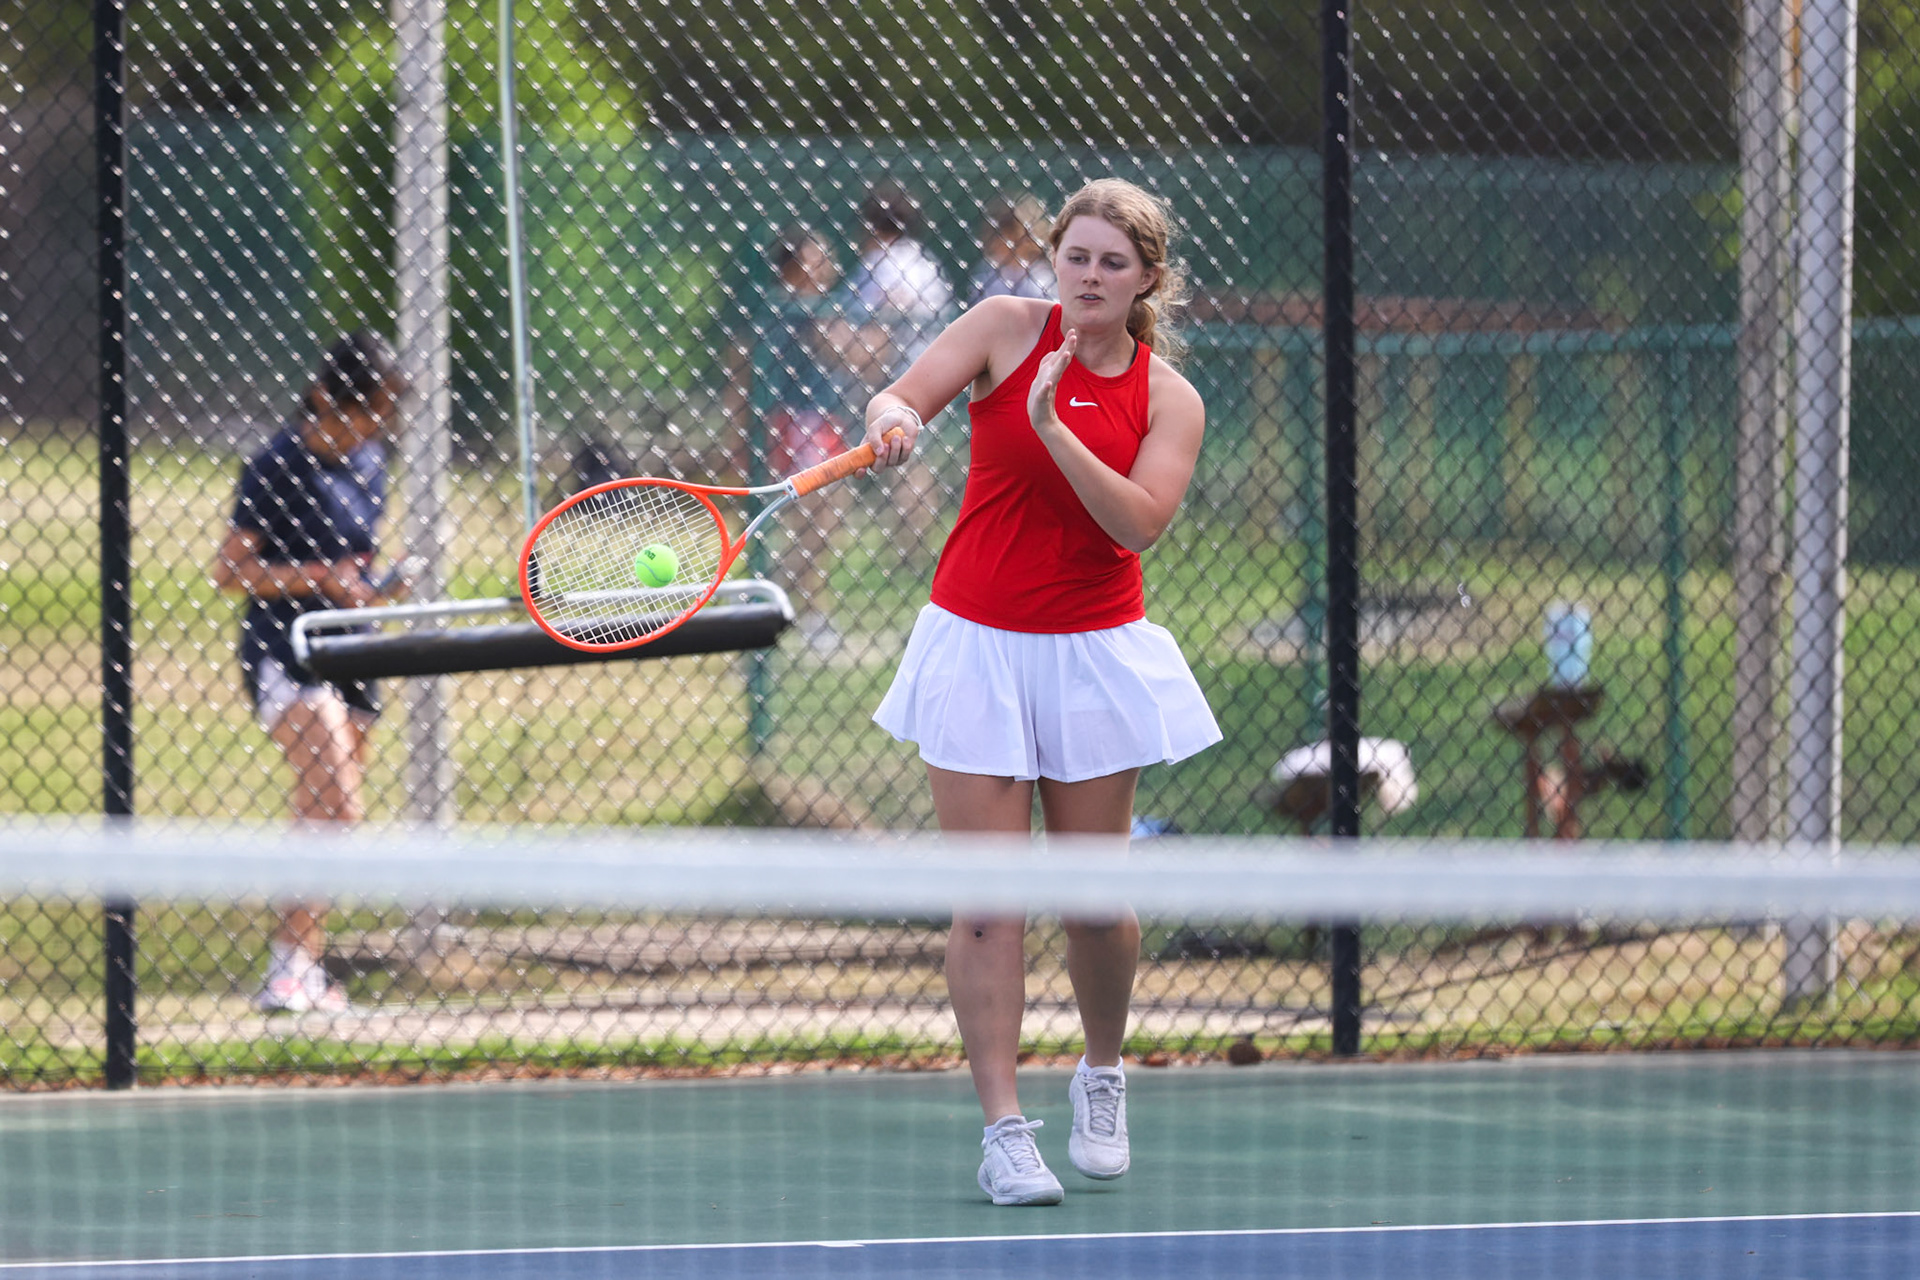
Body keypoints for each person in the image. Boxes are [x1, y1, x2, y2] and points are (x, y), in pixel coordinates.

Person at [863, 179, 1221, 1205]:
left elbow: (1138, 524)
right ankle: (1005, 1131)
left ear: (1147, 279)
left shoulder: (1168, 398)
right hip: (975, 645)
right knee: (988, 909)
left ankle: (1101, 1073)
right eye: (1076, 256)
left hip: (1092, 655)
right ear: (1052, 258)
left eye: (1113, 263)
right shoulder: (1000, 326)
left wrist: (1052, 425)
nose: (1089, 276)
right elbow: (901, 394)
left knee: (1094, 905)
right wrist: (894, 418)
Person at [210, 330, 410, 1014]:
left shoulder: (372, 462)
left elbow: (355, 562)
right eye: (365, 412)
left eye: (383, 415)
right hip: (287, 648)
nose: (373, 427)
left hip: (355, 652)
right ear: (325, 397)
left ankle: (300, 967)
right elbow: (230, 571)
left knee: (325, 817)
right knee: (337, 802)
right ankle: (286, 972)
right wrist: (318, 577)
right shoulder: (275, 465)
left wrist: (374, 588)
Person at [724, 225, 862, 650]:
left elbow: (853, 358)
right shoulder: (780, 311)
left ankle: (775, 595)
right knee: (813, 518)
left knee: (826, 520)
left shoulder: (825, 309)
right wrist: (738, 434)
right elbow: (741, 368)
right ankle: (803, 609)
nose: (829, 267)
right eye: (817, 259)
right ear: (792, 267)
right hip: (793, 421)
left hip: (823, 420)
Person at [842, 179, 956, 566]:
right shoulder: (922, 261)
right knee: (915, 464)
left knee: (907, 467)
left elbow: (878, 333)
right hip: (935, 374)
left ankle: (914, 554)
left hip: (898, 377)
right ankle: (917, 554)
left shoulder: (882, 264)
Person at [966, 191, 1057, 305]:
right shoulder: (988, 272)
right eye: (994, 235)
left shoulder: (1040, 278)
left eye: (1003, 236)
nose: (996, 243)